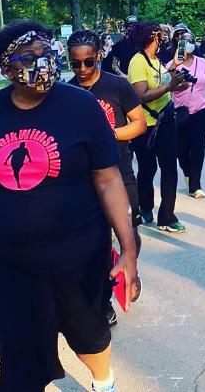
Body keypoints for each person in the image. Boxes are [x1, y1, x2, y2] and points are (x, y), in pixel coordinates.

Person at [0, 21, 137, 392]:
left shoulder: (81, 106)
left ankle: (104, 382)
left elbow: (108, 178)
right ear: (6, 68)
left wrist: (128, 248)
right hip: (10, 260)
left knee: (89, 334)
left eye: (47, 54)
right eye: (28, 57)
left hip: (78, 254)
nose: (42, 64)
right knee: (21, 356)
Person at [67, 30, 148, 326]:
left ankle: (131, 268)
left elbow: (138, 124)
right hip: (84, 177)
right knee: (96, 238)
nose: (83, 70)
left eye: (88, 62)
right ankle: (103, 298)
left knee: (127, 227)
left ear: (99, 55)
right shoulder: (67, 91)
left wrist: (108, 135)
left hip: (119, 170)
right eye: (76, 64)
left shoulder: (118, 86)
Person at [127, 22, 189, 232]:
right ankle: (144, 207)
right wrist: (169, 86)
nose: (163, 37)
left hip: (166, 121)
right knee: (147, 168)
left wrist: (179, 83)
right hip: (146, 124)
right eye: (160, 34)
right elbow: (140, 95)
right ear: (152, 37)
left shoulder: (156, 60)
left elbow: (165, 84)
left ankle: (167, 215)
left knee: (169, 168)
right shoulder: (138, 62)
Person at [165, 31, 205, 198]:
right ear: (178, 44)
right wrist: (175, 62)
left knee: (198, 146)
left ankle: (196, 184)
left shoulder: (202, 63)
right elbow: (167, 83)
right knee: (181, 149)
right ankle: (187, 171)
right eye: (184, 41)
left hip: (202, 109)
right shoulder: (172, 65)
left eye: (190, 40)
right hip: (180, 110)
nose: (188, 43)